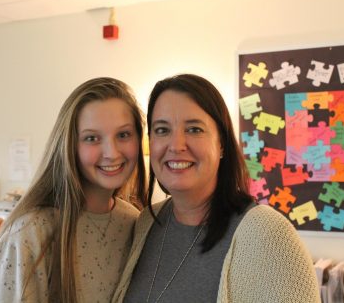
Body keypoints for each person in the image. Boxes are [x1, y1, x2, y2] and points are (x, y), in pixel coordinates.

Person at [114, 74, 320, 303]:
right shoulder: (146, 223)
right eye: (162, 130)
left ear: (221, 143)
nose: (176, 145)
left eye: (194, 129)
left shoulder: (268, 235)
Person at [0, 77, 147, 303]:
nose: (112, 152)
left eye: (123, 135)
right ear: (69, 145)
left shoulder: (135, 223)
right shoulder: (30, 232)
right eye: (92, 138)